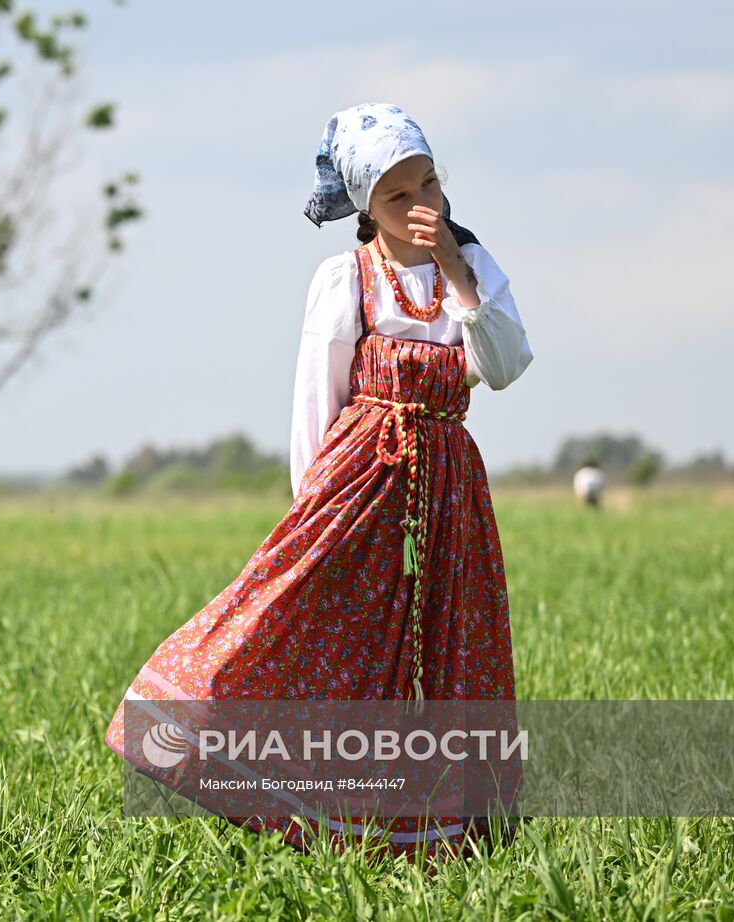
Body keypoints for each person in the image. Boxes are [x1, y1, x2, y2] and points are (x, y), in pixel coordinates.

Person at [104, 103, 534, 864]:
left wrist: (464, 277)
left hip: (449, 495)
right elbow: (316, 405)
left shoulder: (475, 268)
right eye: (398, 196)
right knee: (325, 640)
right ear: (367, 208)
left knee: (443, 652)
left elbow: (501, 367)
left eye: (428, 183)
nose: (420, 207)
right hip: (360, 486)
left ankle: (435, 836)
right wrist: (314, 517)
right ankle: (280, 789)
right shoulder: (346, 278)